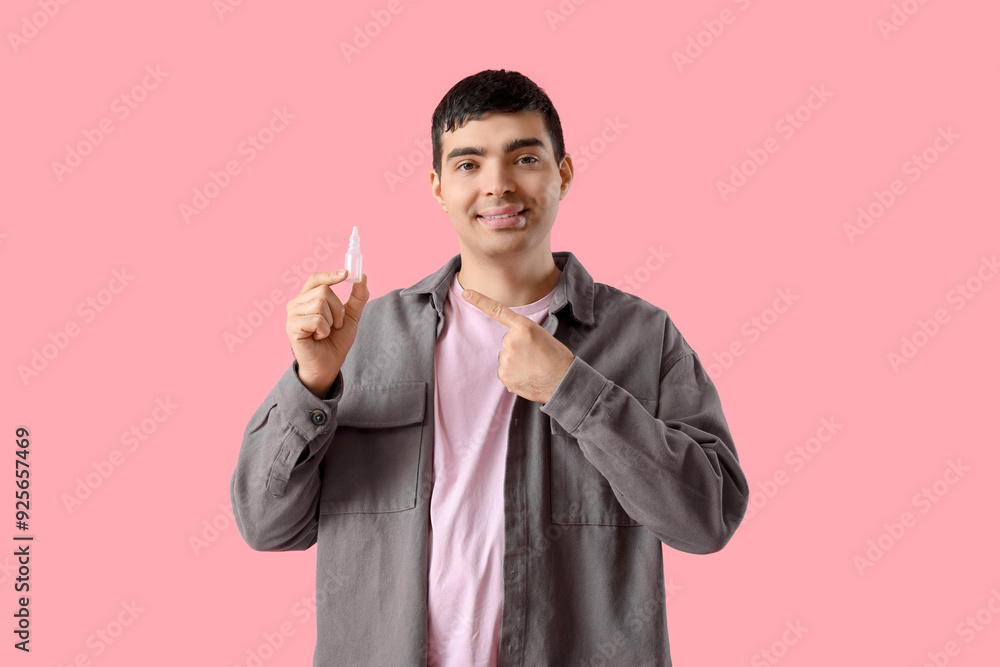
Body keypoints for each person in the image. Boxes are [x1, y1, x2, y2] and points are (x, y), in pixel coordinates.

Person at [230, 69, 749, 666]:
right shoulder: (363, 337)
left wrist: (573, 391)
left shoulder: (643, 337)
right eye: (469, 164)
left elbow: (706, 521)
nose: (498, 186)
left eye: (524, 157)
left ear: (564, 173)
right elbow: (267, 526)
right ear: (437, 186)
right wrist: (312, 382)